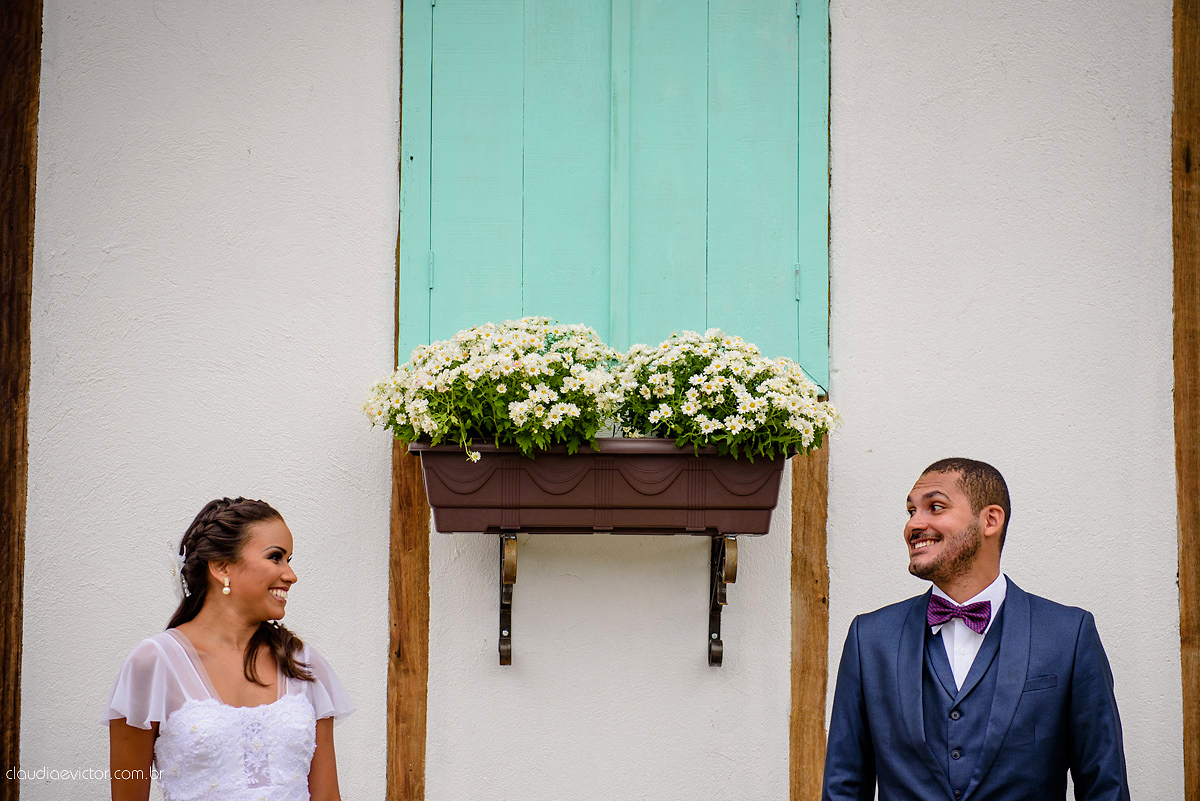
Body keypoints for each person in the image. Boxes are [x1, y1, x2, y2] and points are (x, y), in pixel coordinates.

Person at [822, 458, 1130, 801]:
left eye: (934, 507)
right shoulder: (870, 638)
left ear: (990, 520)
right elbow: (843, 786)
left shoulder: (1069, 635)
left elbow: (1105, 786)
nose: (914, 524)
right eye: (911, 512)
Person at [104, 497, 354, 801]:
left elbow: (327, 797)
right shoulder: (153, 664)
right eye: (276, 557)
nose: (290, 575)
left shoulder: (302, 664)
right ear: (222, 567)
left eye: (289, 559)